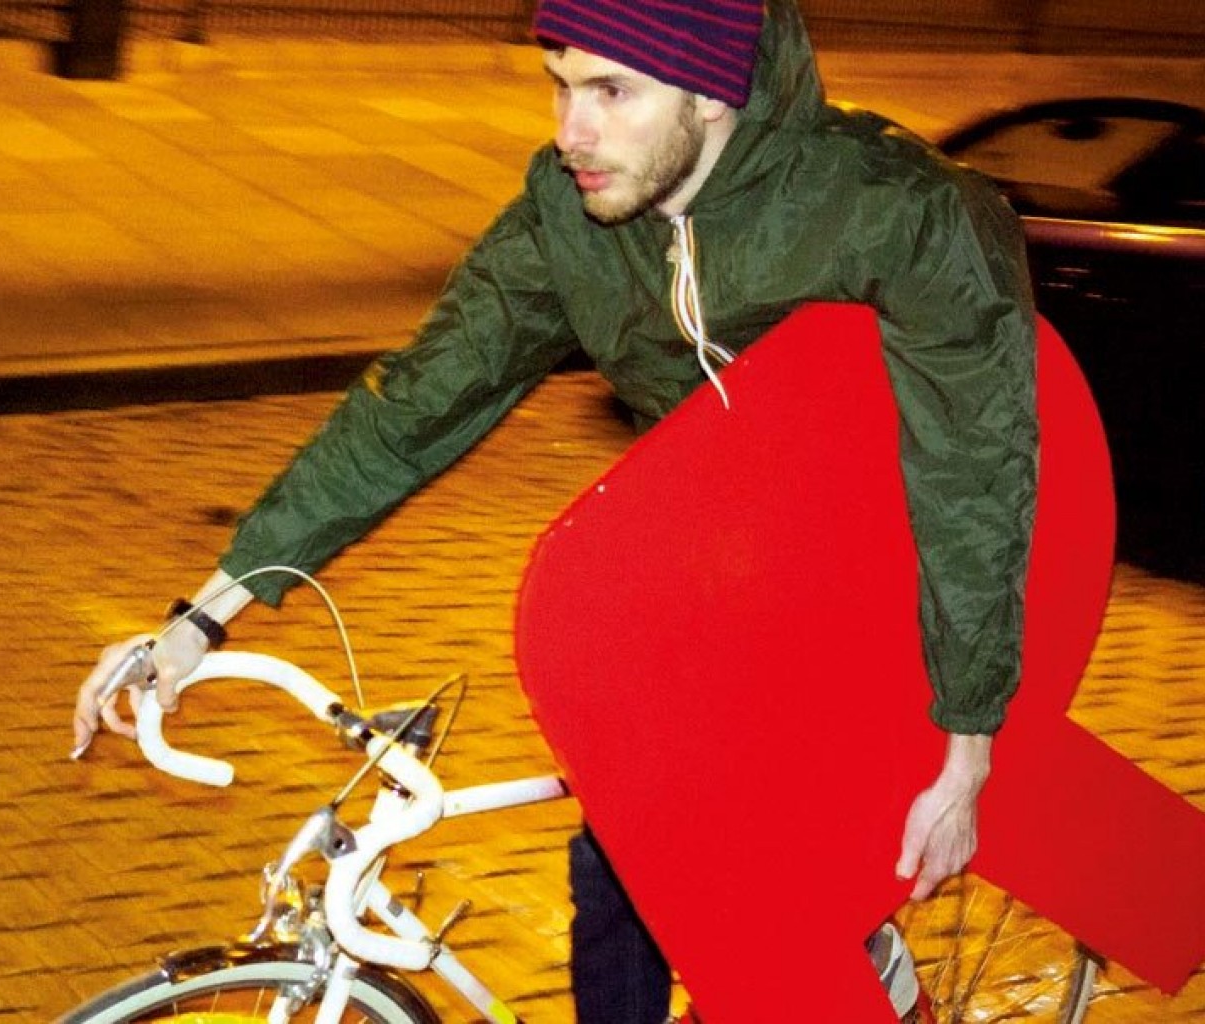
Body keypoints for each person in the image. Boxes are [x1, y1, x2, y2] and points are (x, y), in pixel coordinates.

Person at [73, 0, 1038, 1019]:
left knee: (762, 894)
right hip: (735, 560)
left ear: (712, 93)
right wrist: (202, 614)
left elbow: (974, 476)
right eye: (562, 85)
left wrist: (967, 745)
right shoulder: (574, 212)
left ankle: (857, 963)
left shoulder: (898, 211)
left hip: (911, 575)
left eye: (612, 91)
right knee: (614, 859)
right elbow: (416, 405)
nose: (571, 131)